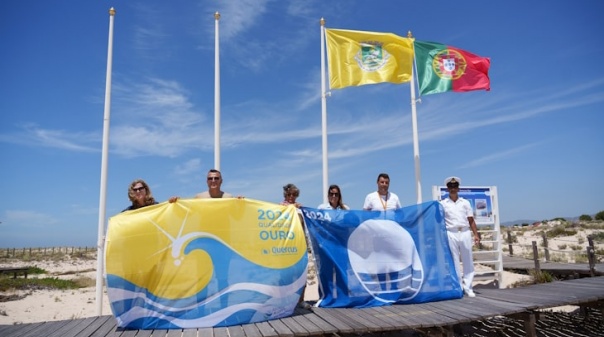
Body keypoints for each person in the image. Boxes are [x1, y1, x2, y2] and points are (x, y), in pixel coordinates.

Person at [440, 176, 481, 298]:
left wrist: (476, 234)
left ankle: (468, 287)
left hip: (464, 232)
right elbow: (440, 221)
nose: (453, 189)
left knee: (467, 259)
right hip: (451, 232)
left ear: (458, 188)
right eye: (450, 187)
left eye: (455, 186)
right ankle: (458, 287)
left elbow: (471, 220)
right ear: (447, 189)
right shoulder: (443, 204)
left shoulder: (465, 203)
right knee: (455, 261)